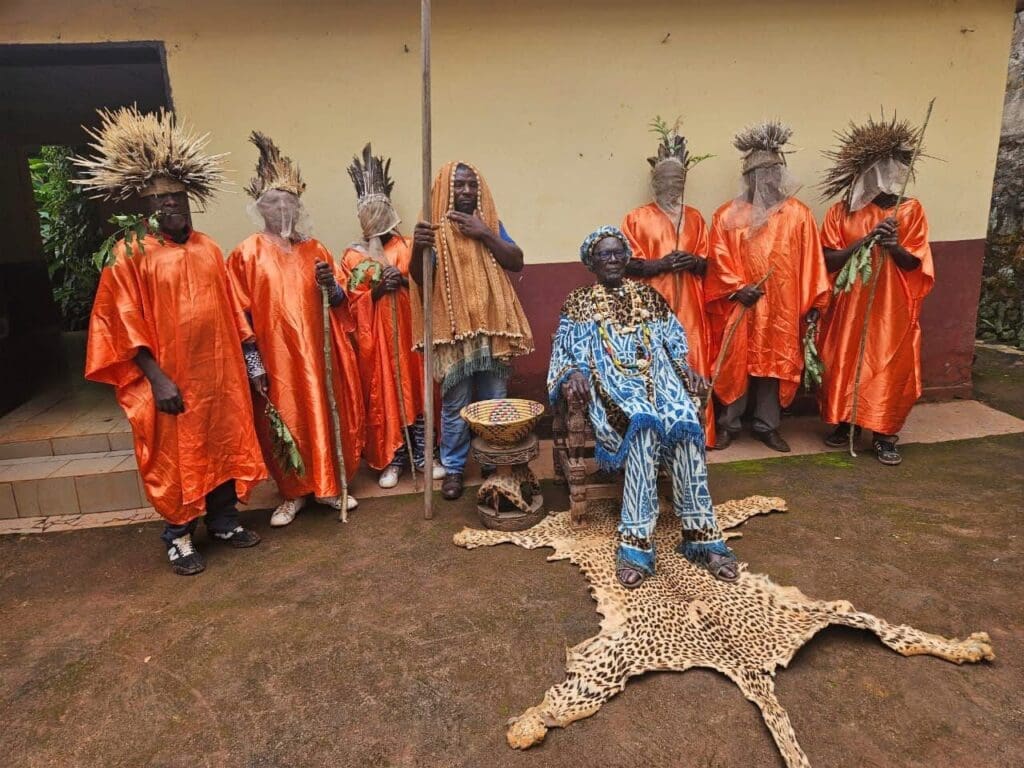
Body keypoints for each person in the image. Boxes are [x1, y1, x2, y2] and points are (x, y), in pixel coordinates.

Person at [78, 107, 266, 575]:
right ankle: (179, 536)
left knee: (222, 443)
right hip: (170, 381)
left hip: (219, 376)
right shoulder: (130, 255)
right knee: (174, 455)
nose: (171, 208)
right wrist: (157, 379)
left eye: (177, 199)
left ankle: (223, 521)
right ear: (145, 207)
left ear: (190, 201)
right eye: (161, 202)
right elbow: (122, 321)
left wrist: (250, 360)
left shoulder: (208, 248)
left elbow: (231, 307)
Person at [549, 226, 739, 588]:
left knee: (685, 421)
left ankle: (702, 536)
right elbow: (564, 349)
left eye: (619, 252)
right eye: (604, 254)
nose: (613, 259)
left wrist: (687, 371)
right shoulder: (578, 301)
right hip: (612, 386)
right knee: (644, 424)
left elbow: (674, 343)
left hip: (660, 382)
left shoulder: (650, 297)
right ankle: (636, 543)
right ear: (592, 261)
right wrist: (572, 373)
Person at [225, 132, 364, 527]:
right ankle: (292, 493)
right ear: (259, 206)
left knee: (322, 412)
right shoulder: (246, 252)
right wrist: (253, 361)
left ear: (298, 207)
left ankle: (328, 487)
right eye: (272, 202)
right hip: (276, 358)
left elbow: (340, 303)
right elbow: (238, 311)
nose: (281, 209)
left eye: (288, 202)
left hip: (319, 358)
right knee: (283, 420)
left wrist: (330, 285)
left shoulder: (316, 249)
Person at [410, 162, 534, 500]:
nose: (466, 191)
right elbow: (420, 280)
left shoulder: (490, 224)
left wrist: (484, 233)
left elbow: (516, 260)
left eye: (471, 185)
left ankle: (494, 463)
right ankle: (453, 469)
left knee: (495, 399)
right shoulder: (432, 230)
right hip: (454, 335)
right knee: (456, 405)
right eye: (459, 185)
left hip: (493, 330)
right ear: (446, 191)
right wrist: (417, 251)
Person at [816, 114, 935, 465]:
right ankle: (843, 421)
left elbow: (916, 263)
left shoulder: (911, 210)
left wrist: (894, 245)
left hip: (891, 305)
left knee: (888, 363)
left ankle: (884, 433)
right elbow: (830, 259)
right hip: (850, 302)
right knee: (843, 359)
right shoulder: (843, 212)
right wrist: (865, 242)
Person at [706, 121, 829, 452]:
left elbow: (812, 262)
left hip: (781, 306)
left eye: (775, 172)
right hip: (741, 303)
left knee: (774, 363)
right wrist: (737, 288)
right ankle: (729, 424)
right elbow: (717, 257)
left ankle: (767, 425)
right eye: (762, 173)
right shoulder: (726, 216)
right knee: (736, 360)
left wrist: (814, 305)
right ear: (749, 177)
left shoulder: (798, 215)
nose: (770, 180)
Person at [341, 144, 434, 489]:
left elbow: (427, 283)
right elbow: (350, 304)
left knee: (417, 390)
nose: (376, 218)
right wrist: (377, 290)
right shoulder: (353, 255)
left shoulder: (408, 245)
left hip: (410, 335)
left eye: (382, 210)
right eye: (370, 212)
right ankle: (392, 458)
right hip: (377, 342)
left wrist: (404, 280)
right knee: (386, 395)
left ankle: (424, 454)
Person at [622, 122, 716, 445]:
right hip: (652, 305)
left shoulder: (695, 218)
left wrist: (693, 262)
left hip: (690, 304)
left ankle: (698, 432)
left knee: (692, 358)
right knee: (653, 360)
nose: (671, 184)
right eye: (665, 179)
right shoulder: (636, 218)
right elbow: (625, 264)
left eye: (678, 179)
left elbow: (707, 263)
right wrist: (659, 264)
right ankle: (658, 431)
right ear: (655, 182)